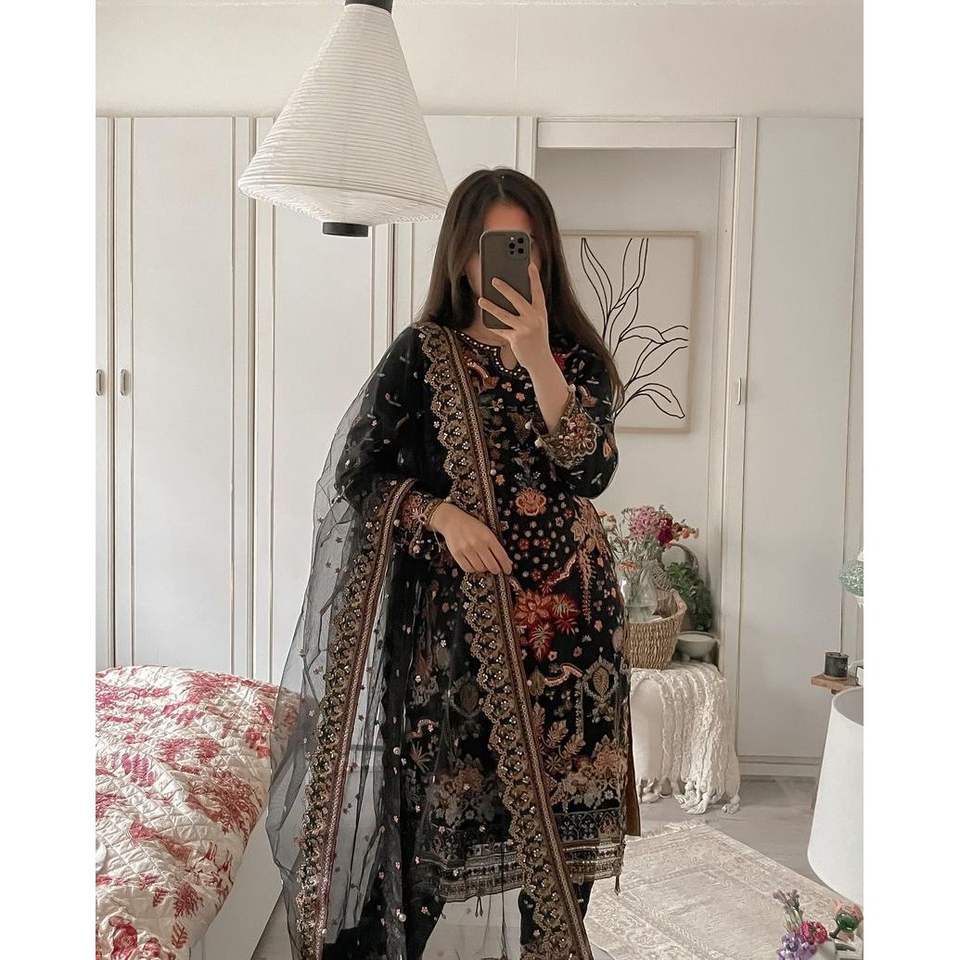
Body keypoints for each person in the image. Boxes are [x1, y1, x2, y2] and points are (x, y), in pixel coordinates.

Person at [266, 167, 641, 960]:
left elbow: (591, 472)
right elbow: (359, 477)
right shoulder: (423, 354)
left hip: (573, 636)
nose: (504, 263)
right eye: (487, 247)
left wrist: (539, 359)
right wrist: (438, 514)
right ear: (460, 256)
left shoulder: (574, 357)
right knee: (428, 835)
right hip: (456, 635)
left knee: (564, 832)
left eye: (522, 246)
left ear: (544, 253)